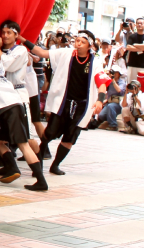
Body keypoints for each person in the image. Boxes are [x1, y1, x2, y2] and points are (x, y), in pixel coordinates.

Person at [29, 29, 102, 176]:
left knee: (70, 137)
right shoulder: (66, 53)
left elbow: (102, 82)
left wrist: (100, 100)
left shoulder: (95, 62)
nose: (78, 44)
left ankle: (55, 165)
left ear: (90, 46)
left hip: (82, 106)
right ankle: (40, 159)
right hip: (63, 102)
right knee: (49, 133)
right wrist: (23, 39)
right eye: (77, 40)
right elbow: (42, 53)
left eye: (83, 42)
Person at [0, 35, 46, 191]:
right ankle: (12, 167)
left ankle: (41, 180)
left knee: (23, 145)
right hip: (9, 104)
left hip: (6, 106)